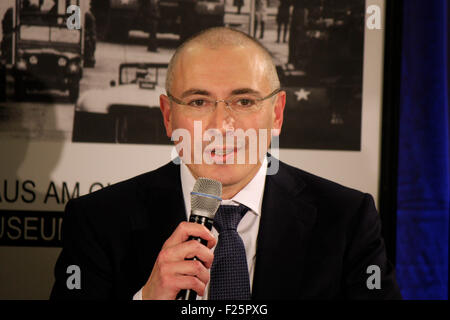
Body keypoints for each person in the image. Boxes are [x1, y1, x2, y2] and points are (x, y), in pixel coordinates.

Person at [50, 27, 401, 300]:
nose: (221, 126)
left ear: (276, 114)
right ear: (168, 116)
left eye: (244, 101)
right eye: (199, 101)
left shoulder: (348, 220)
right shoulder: (97, 222)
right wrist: (148, 297)